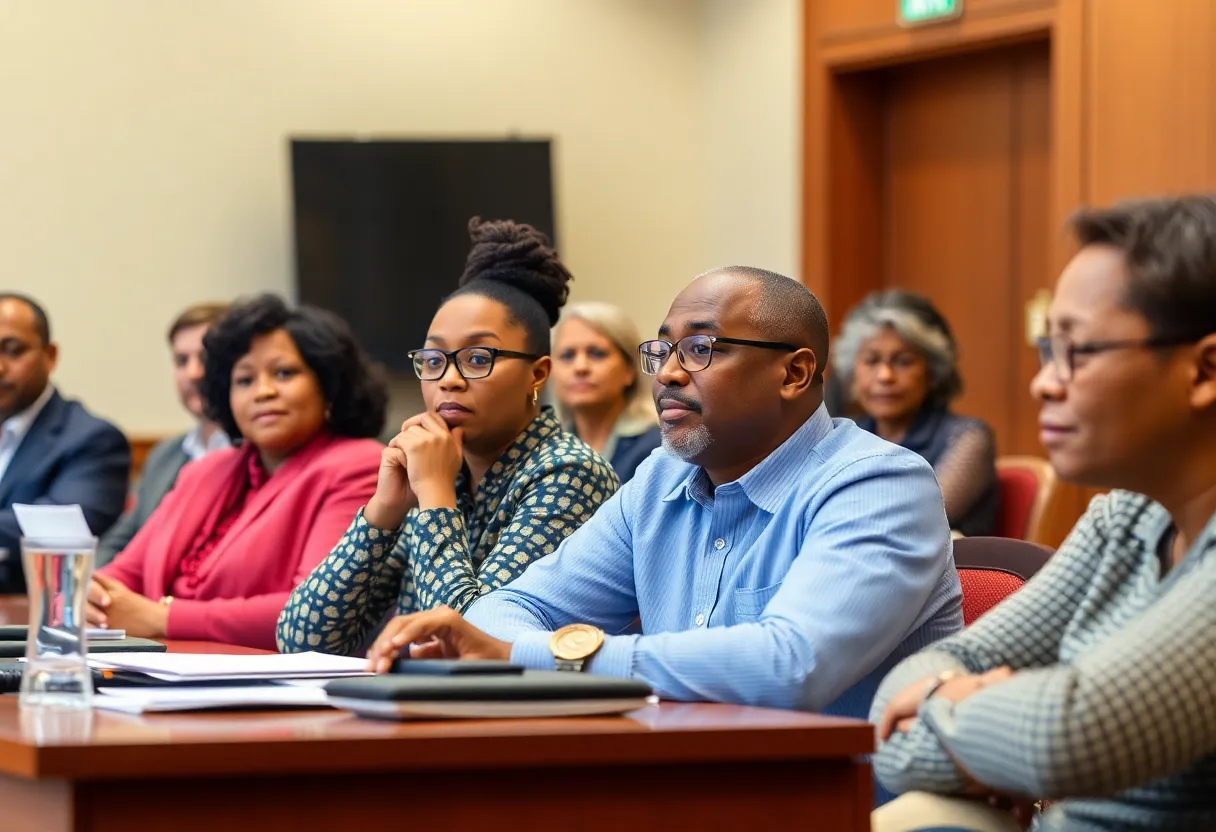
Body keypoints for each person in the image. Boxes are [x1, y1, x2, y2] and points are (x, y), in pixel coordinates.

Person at [361, 266, 963, 724]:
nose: (669, 373)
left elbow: (790, 666)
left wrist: (560, 658)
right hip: (676, 787)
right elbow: (506, 611)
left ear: (795, 374)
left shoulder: (878, 483)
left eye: (701, 349)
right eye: (662, 351)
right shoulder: (662, 477)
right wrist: (525, 647)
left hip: (834, 803)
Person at [870, 195, 1216, 832]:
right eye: (1046, 349)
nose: (1044, 383)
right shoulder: (1125, 521)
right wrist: (991, 731)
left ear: (1204, 369)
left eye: (1077, 352)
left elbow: (1070, 734)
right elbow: (899, 700)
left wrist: (951, 703)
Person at [277, 218, 618, 656]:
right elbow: (301, 639)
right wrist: (384, 510)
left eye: (478, 358)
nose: (449, 380)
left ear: (538, 374)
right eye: (434, 359)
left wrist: (435, 494)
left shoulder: (570, 472)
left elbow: (471, 642)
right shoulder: (446, 471)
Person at [88, 295, 386, 650]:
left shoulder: (358, 465)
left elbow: (312, 610)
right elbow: (126, 572)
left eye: (284, 373)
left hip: (273, 683)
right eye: (244, 380)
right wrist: (91, 596)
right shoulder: (207, 470)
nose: (264, 392)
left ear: (328, 384)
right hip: (160, 668)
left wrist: (162, 618)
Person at [834, 290, 998, 537]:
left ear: (932, 372)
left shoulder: (969, 438)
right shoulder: (843, 439)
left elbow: (915, 519)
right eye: (872, 361)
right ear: (853, 372)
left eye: (903, 362)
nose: (885, 376)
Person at [0, 294, 129, 593]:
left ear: (50, 356)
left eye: (13, 350)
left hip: (41, 615)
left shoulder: (93, 440)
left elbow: (60, 530)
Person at [97, 303, 231, 566]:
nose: (193, 373)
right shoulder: (164, 454)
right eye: (182, 361)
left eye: (206, 359)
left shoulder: (257, 456)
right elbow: (123, 538)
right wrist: (91, 589)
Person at [551, 302, 661, 484]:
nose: (580, 367)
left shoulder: (656, 449)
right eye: (567, 355)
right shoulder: (546, 449)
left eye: (596, 353)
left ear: (630, 370)